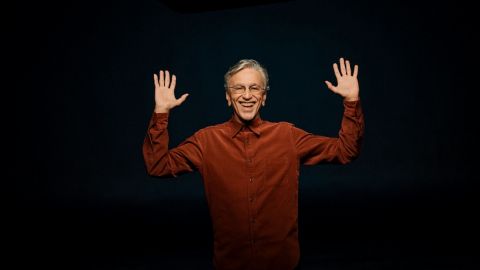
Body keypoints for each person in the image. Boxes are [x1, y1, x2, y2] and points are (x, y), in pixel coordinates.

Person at [142, 58, 364, 270]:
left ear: (264, 97)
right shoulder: (206, 141)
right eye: (238, 88)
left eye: (254, 88)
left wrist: (351, 100)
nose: (247, 95)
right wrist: (161, 111)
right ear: (228, 96)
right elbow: (158, 165)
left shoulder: (287, 135)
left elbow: (346, 151)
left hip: (283, 264)